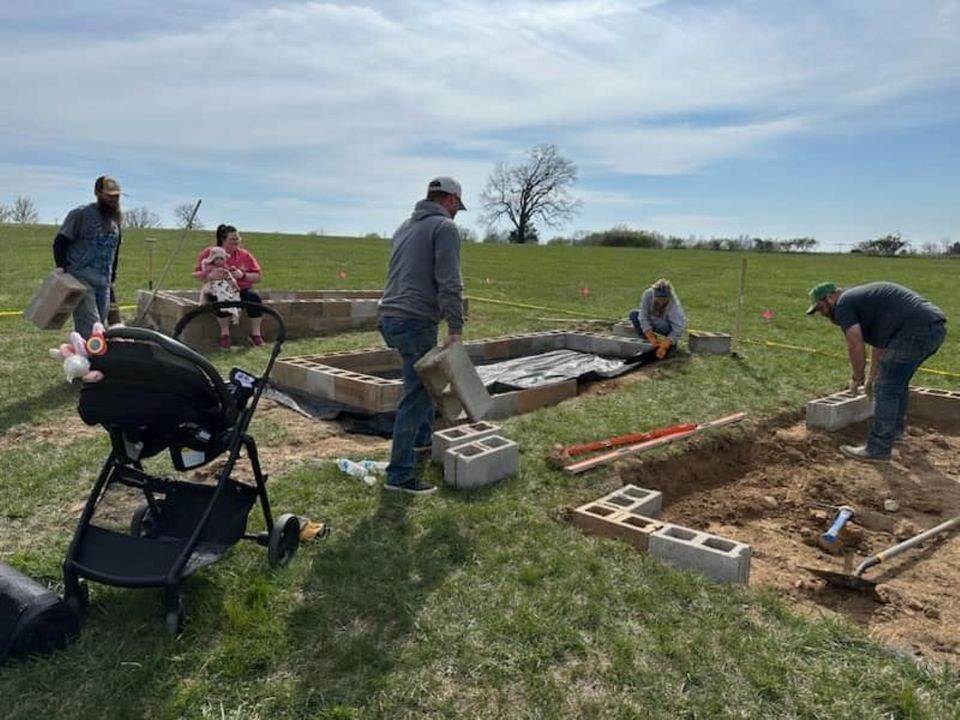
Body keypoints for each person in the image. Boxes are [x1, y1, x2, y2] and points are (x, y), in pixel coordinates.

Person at [378, 176, 466, 495]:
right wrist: (455, 328)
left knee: (423, 384)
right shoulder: (444, 228)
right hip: (415, 320)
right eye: (458, 207)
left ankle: (421, 443)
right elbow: (450, 282)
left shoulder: (405, 226)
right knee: (415, 394)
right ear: (451, 200)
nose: (457, 213)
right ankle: (399, 475)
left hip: (390, 317)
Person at [806, 281, 947, 463]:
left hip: (915, 331)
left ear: (830, 297)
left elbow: (855, 343)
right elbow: (880, 346)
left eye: (821, 308)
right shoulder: (861, 301)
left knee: (887, 388)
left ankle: (878, 448)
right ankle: (894, 433)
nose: (823, 314)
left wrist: (857, 377)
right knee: (896, 382)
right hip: (932, 328)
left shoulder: (843, 305)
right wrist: (871, 378)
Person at [52, 176, 123, 338]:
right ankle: (88, 361)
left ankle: (92, 358)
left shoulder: (115, 221)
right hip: (81, 278)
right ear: (97, 193)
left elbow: (115, 249)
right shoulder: (80, 215)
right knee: (91, 327)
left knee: (101, 323)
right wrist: (63, 268)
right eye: (109, 196)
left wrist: (112, 275)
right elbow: (60, 242)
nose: (113, 200)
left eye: (116, 196)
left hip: (103, 282)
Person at [192, 224, 265, 350]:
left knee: (254, 298)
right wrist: (210, 275)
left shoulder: (245, 255)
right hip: (218, 289)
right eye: (233, 239)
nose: (236, 242)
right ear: (223, 240)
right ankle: (225, 334)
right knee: (219, 299)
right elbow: (197, 274)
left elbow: (258, 277)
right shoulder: (210, 253)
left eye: (238, 239)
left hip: (240, 289)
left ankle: (256, 334)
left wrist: (242, 275)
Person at [629, 278, 687, 360]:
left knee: (662, 326)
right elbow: (643, 316)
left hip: (666, 325)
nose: (661, 301)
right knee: (634, 314)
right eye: (659, 298)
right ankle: (648, 342)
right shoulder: (648, 294)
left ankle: (671, 345)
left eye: (664, 299)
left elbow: (678, 328)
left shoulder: (673, 304)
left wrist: (666, 344)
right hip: (654, 320)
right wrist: (650, 335)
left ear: (669, 296)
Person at [197, 245, 241, 324]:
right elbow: (204, 277)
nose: (219, 261)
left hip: (224, 289)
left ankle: (233, 311)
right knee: (216, 296)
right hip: (212, 289)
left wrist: (235, 286)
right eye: (216, 259)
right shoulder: (210, 269)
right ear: (212, 259)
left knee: (231, 296)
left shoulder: (225, 270)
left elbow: (230, 279)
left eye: (221, 259)